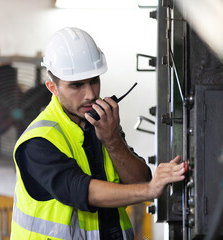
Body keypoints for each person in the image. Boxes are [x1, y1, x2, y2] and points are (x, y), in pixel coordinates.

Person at [11, 27, 186, 240]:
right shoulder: (38, 141)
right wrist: (150, 190)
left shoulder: (103, 125)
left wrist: (112, 139)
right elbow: (83, 191)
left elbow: (138, 180)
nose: (91, 94)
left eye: (94, 80)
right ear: (52, 87)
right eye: (76, 85)